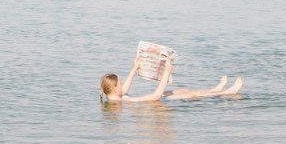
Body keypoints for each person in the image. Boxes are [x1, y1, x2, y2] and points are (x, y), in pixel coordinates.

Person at [101, 55, 242, 103]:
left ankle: (215, 89)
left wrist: (134, 68)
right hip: (158, 103)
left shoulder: (114, 97)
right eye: (120, 83)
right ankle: (228, 92)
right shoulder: (127, 102)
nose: (123, 85)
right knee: (193, 94)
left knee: (180, 90)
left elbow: (124, 89)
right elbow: (155, 96)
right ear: (114, 88)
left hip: (159, 99)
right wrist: (167, 72)